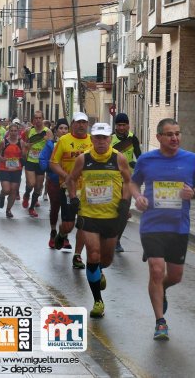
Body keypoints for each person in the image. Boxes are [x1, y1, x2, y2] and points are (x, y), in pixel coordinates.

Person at [130, 118, 195, 341]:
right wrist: (138, 196)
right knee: (156, 269)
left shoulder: (191, 159)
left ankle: (160, 289)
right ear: (159, 137)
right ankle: (160, 322)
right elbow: (133, 183)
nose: (175, 138)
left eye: (177, 133)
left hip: (178, 225)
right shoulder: (146, 160)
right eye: (169, 134)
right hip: (152, 224)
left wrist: (194, 193)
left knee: (175, 275)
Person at [66, 123, 132, 318]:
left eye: (104, 138)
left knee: (106, 259)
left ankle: (99, 270)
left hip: (111, 216)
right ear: (92, 139)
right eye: (97, 138)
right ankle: (98, 301)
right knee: (93, 255)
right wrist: (73, 197)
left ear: (110, 140)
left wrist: (125, 201)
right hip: (89, 215)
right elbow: (71, 179)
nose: (101, 142)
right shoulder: (83, 159)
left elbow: (128, 181)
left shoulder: (118, 159)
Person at [50, 112, 92, 267]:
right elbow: (53, 163)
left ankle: (77, 255)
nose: (81, 125)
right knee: (68, 225)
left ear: (87, 125)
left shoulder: (93, 141)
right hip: (68, 188)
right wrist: (66, 176)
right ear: (73, 124)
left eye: (84, 123)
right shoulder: (64, 140)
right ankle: (61, 234)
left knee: (83, 223)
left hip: (87, 190)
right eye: (78, 122)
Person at [111, 112, 142, 252]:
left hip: (128, 180)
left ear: (128, 125)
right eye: (119, 125)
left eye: (124, 125)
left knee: (124, 210)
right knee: (112, 210)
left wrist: (137, 166)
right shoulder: (110, 139)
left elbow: (139, 156)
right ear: (115, 126)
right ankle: (108, 236)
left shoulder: (132, 138)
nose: (121, 128)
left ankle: (117, 240)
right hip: (112, 180)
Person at [40, 118, 70, 250]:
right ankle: (53, 232)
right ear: (56, 130)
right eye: (61, 128)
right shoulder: (50, 145)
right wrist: (48, 167)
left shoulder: (71, 144)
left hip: (69, 183)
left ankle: (64, 236)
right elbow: (43, 159)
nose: (63, 131)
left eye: (65, 128)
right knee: (55, 207)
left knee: (67, 210)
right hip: (54, 181)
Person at [22, 110, 53, 217]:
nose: (38, 120)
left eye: (40, 118)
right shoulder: (28, 131)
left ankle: (31, 208)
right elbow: (25, 144)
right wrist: (25, 150)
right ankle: (26, 195)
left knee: (38, 187)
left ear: (43, 119)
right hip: (30, 160)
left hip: (41, 162)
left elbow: (51, 147)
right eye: (36, 118)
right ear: (33, 120)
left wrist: (48, 141)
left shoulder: (48, 131)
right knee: (31, 183)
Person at [0, 122, 26, 218]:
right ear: (9, 132)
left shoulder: (21, 142)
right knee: (7, 189)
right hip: (4, 168)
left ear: (18, 132)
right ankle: (2, 195)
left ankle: (8, 210)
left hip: (17, 169)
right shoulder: (4, 142)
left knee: (13, 190)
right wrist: (2, 159)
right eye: (11, 131)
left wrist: (25, 153)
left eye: (15, 131)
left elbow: (24, 155)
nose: (13, 133)